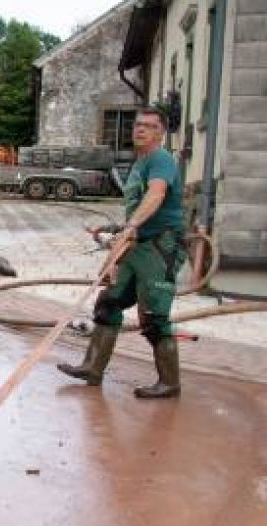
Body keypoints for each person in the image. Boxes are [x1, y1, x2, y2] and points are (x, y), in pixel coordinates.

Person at [57, 107, 185, 399]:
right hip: (138, 244)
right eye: (138, 124)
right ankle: (92, 368)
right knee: (108, 303)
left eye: (150, 126)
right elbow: (140, 206)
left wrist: (129, 227)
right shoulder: (139, 164)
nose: (141, 129)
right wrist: (118, 229)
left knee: (154, 316)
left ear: (161, 133)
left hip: (161, 247)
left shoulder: (161, 160)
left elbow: (156, 195)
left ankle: (170, 382)